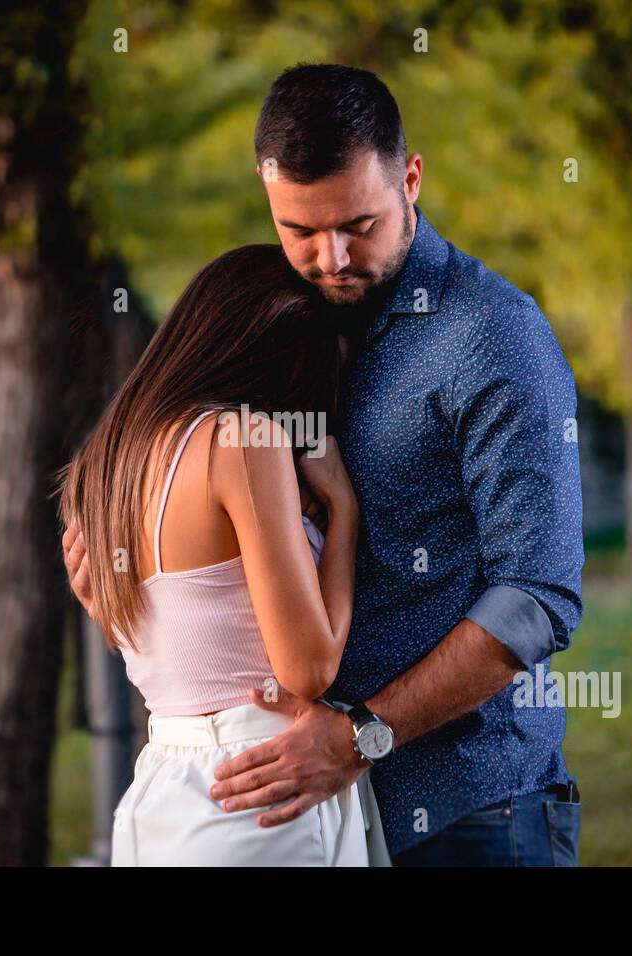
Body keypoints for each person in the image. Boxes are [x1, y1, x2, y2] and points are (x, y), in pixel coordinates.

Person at [66, 64, 585, 867]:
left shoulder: (494, 337)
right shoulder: (278, 329)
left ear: (410, 179)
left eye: (358, 224)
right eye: (300, 231)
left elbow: (538, 597)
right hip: (306, 817)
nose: (331, 256)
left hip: (472, 810)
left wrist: (363, 735)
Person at [59, 244, 388, 866]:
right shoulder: (242, 439)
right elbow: (308, 670)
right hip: (263, 784)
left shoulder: (107, 460)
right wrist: (342, 515)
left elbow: (161, 635)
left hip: (165, 787)